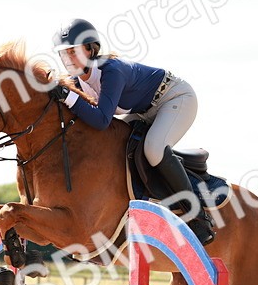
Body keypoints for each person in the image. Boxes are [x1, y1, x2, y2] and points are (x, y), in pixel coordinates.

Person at [51, 18, 214, 245]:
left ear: (91, 49)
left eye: (74, 51)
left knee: (153, 149)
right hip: (143, 110)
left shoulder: (111, 70)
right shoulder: (74, 81)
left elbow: (101, 121)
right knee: (114, 146)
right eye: (64, 54)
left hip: (175, 98)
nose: (69, 59)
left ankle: (198, 217)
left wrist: (67, 97)